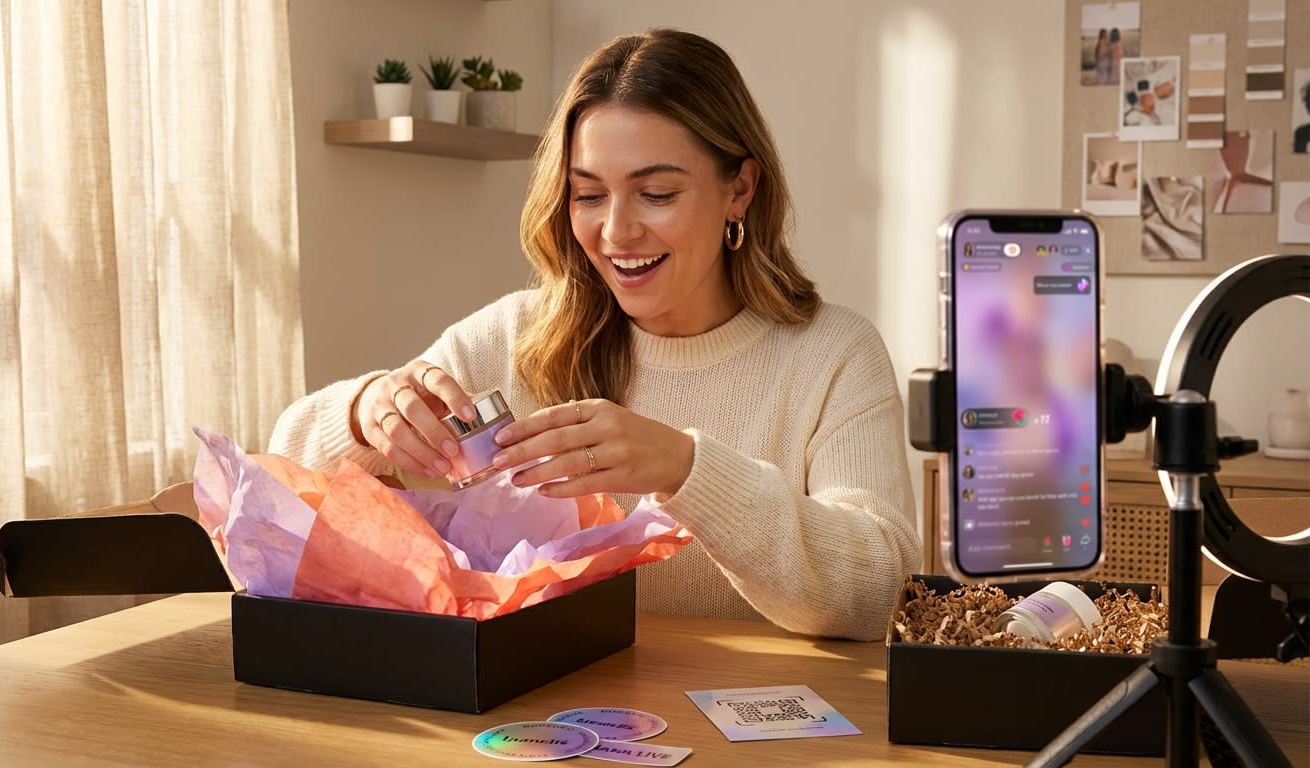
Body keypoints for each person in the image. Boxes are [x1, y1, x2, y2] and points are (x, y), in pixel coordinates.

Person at [267, 28, 920, 641]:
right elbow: (279, 483)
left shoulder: (833, 354)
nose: (616, 232)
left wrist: (685, 468)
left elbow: (878, 593)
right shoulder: (517, 334)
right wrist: (361, 415)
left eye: (656, 193)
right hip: (543, 732)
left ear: (740, 190)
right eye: (588, 195)